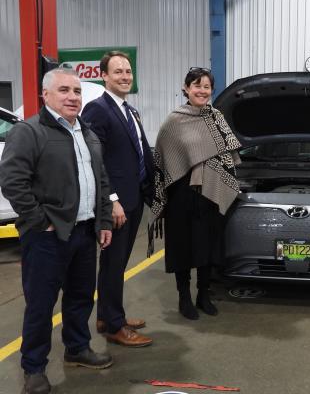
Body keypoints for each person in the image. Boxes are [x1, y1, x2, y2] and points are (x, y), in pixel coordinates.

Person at [0, 68, 114, 394]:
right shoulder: (29, 131)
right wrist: (38, 220)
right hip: (47, 237)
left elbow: (101, 181)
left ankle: (77, 348)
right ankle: (34, 368)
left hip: (84, 231)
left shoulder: (87, 133)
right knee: (41, 304)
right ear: (45, 95)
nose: (73, 97)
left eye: (77, 91)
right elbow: (12, 181)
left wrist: (103, 221)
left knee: (80, 298)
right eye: (64, 90)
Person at [150, 68, 242, 320]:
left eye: (206, 87)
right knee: (183, 245)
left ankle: (204, 294)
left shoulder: (217, 118)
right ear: (186, 88)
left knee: (208, 244)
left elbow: (228, 157)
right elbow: (161, 159)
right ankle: (184, 297)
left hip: (211, 190)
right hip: (182, 191)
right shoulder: (174, 121)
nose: (202, 91)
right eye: (197, 86)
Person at [82, 51, 153, 347]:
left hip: (133, 198)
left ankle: (106, 315)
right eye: (118, 72)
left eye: (128, 71)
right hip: (117, 203)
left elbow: (138, 152)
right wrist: (111, 199)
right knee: (113, 264)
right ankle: (114, 326)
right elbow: (94, 159)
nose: (125, 76)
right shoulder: (97, 109)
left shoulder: (129, 110)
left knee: (117, 262)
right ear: (104, 76)